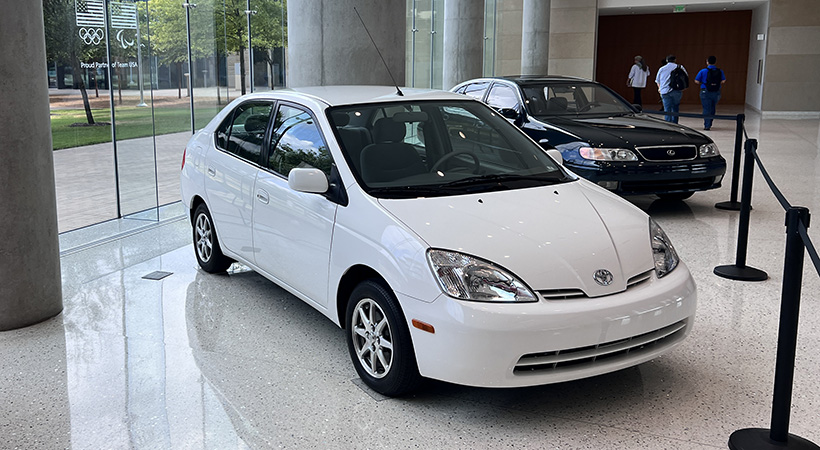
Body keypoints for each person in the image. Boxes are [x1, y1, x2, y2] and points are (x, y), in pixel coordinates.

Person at [694, 55, 726, 130]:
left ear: (707, 62)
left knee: (706, 108)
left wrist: (704, 83)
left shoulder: (703, 71)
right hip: (716, 91)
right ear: (715, 62)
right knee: (713, 107)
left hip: (705, 91)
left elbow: (696, 81)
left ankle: (707, 125)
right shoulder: (720, 71)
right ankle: (710, 122)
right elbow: (723, 80)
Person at [655, 55, 688, 123]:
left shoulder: (662, 68)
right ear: (675, 60)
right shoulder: (680, 67)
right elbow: (686, 77)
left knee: (667, 109)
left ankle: (668, 124)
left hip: (664, 91)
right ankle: (675, 123)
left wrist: (659, 89)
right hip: (676, 90)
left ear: (667, 60)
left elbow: (657, 80)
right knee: (675, 108)